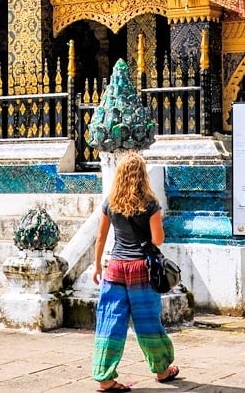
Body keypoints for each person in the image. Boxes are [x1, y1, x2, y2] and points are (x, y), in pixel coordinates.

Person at [91, 151, 180, 391]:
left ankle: (104, 377)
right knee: (148, 321)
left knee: (110, 320)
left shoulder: (110, 202)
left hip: (116, 267)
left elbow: (100, 238)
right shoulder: (150, 204)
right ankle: (162, 370)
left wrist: (98, 265)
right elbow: (158, 239)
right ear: (142, 175)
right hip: (141, 268)